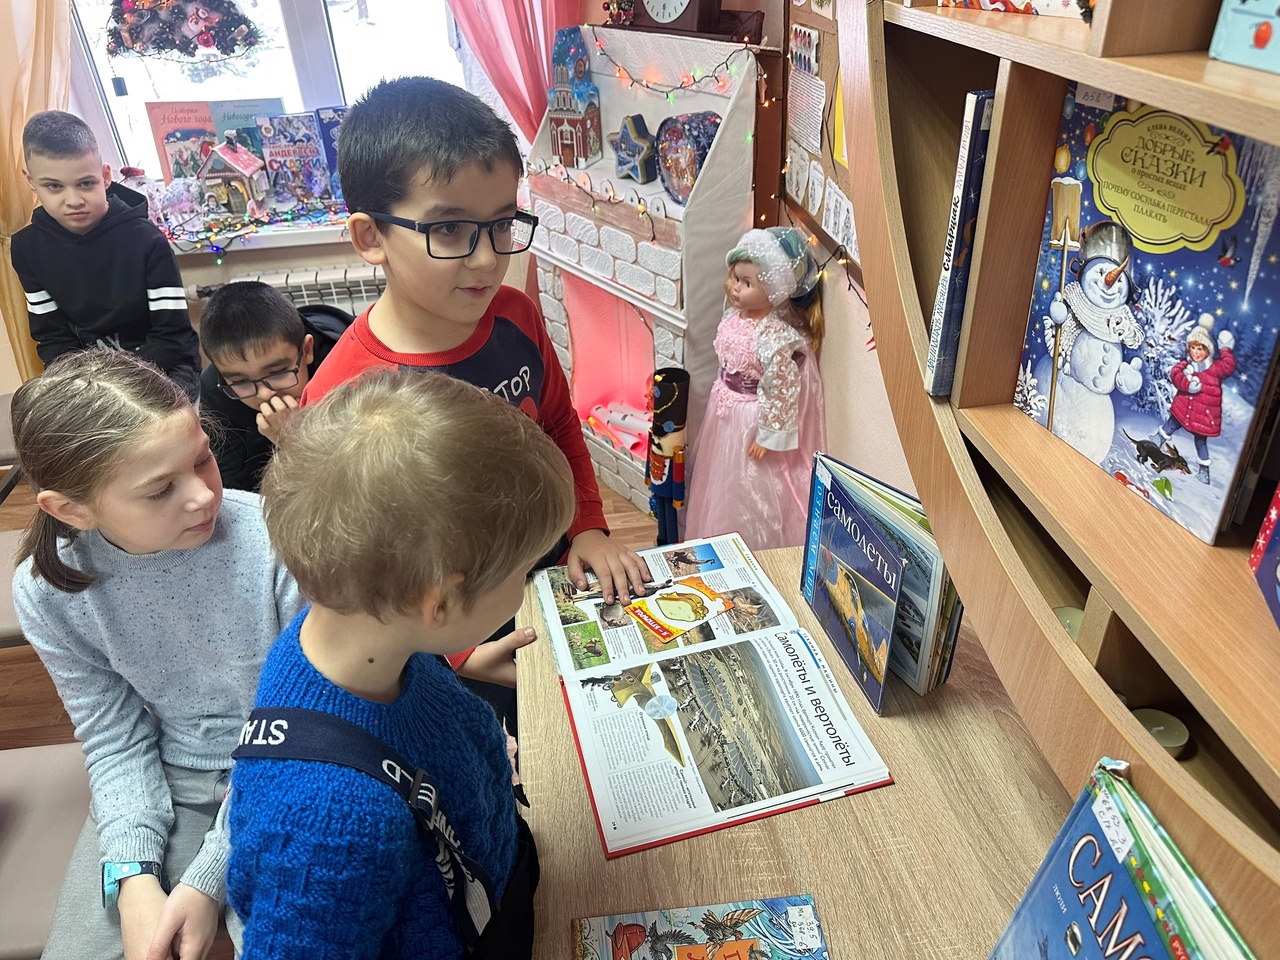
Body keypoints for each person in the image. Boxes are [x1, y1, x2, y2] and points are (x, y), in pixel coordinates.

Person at [303, 76, 648, 686]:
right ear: (370, 237)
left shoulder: (516, 316)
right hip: (445, 638)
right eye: (449, 230)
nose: (488, 258)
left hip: (550, 575)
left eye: (503, 224)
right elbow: (360, 573)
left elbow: (558, 426)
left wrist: (588, 528)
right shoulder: (345, 395)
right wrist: (456, 656)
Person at [227, 368, 576, 959]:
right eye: (524, 571)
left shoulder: (364, 632)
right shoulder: (329, 825)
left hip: (502, 880)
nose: (527, 583)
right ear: (439, 603)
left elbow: (412, 725)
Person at [10, 348, 302, 960]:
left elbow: (304, 724)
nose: (201, 496)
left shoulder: (277, 539)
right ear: (70, 510)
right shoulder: (48, 591)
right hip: (177, 774)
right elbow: (113, 737)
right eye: (160, 489)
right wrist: (133, 873)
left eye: (203, 458)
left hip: (296, 765)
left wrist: (209, 874)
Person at [10, 111, 202, 401]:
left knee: (150, 425)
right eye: (54, 186)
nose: (74, 200)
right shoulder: (27, 248)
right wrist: (89, 388)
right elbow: (53, 339)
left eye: (86, 183)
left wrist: (117, 387)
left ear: (106, 176)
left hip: (165, 367)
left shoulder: (148, 240)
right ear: (30, 180)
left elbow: (171, 336)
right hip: (90, 376)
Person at [683, 227, 827, 552]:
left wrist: (769, 434)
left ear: (773, 290)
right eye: (735, 278)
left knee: (746, 483)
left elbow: (783, 385)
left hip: (749, 418)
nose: (735, 288)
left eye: (746, 283)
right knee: (717, 477)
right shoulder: (734, 317)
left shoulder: (773, 335)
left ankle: (744, 544)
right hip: (724, 409)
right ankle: (713, 536)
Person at [198, 281, 351, 491]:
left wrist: (294, 440)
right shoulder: (216, 388)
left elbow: (358, 478)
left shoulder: (343, 364)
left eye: (277, 372)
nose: (264, 394)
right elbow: (232, 486)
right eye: (241, 381)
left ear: (307, 351)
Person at [1150, 312, 1237, 485]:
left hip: (1202, 416)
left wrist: (1226, 348)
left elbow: (1229, 366)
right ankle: (1157, 440)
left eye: (1200, 349)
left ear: (1208, 350)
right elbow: (1175, 374)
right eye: (1193, 347)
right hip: (1183, 409)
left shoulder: (1215, 368)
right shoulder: (1187, 365)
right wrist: (1187, 386)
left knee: (1200, 441)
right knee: (1171, 423)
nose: (1196, 352)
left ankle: (1204, 472)